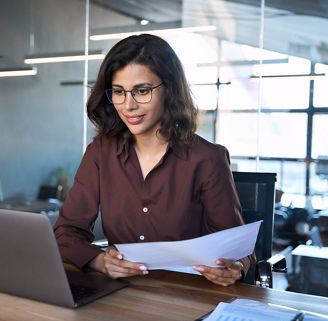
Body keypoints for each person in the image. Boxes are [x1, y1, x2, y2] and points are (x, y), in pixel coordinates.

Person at [54, 34, 255, 286]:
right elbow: (66, 232)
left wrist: (234, 266)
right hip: (121, 294)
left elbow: (239, 249)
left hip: (189, 294)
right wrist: (99, 261)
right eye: (118, 92)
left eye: (142, 91)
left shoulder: (207, 159)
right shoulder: (100, 152)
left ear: (169, 89)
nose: (128, 105)